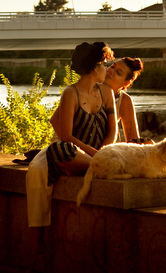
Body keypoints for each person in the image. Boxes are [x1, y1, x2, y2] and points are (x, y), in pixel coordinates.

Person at [25, 41, 116, 228]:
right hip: (78, 155)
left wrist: (103, 152)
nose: (106, 69)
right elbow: (66, 136)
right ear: (94, 68)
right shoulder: (70, 93)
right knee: (59, 149)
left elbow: (112, 131)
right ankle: (102, 167)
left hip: (103, 153)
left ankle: (102, 165)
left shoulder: (107, 92)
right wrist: (95, 156)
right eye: (104, 65)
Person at [103, 56, 146, 142]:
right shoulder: (89, 89)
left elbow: (133, 140)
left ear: (126, 83)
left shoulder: (124, 100)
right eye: (112, 66)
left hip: (106, 149)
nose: (111, 71)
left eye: (118, 73)